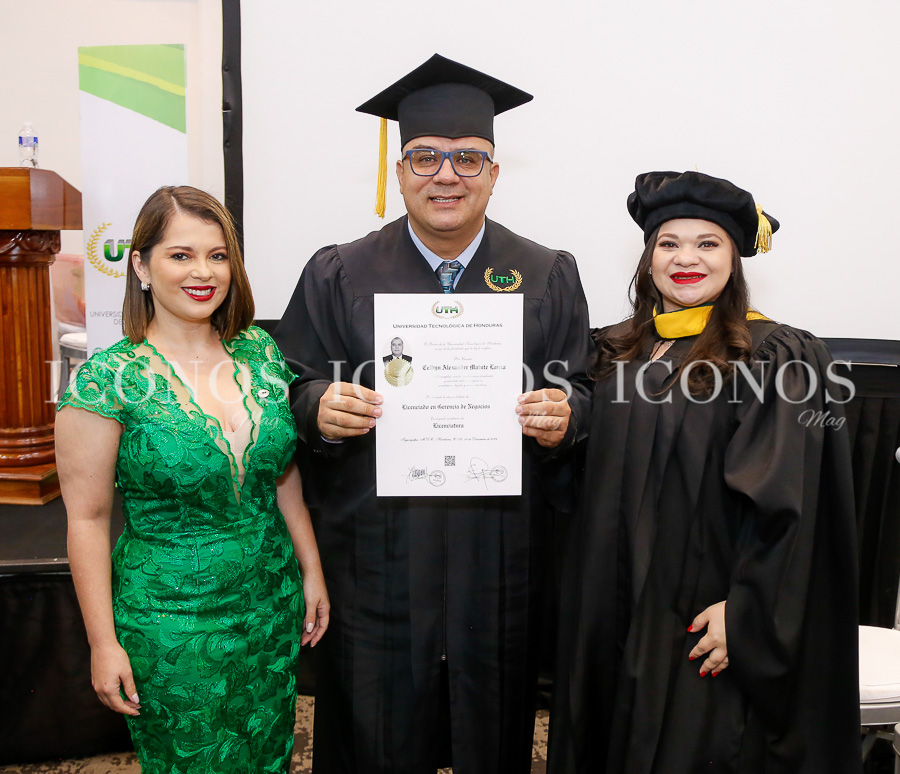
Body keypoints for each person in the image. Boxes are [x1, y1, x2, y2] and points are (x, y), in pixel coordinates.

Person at [274, 54, 592, 774]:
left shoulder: (547, 273)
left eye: (467, 159)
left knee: (495, 724)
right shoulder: (339, 272)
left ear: (494, 173)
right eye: (425, 157)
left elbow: (581, 385)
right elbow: (290, 382)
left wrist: (566, 413)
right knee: (375, 729)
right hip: (378, 548)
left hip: (498, 551)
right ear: (399, 172)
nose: (446, 175)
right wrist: (318, 407)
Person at [548, 171, 860, 774]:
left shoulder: (773, 356)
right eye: (668, 243)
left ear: (735, 259)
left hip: (698, 611)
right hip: (607, 602)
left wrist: (746, 609)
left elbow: (791, 498)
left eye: (707, 243)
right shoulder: (612, 351)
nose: (685, 258)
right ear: (648, 259)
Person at [55, 186, 330, 774]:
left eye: (218, 255)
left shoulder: (260, 352)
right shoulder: (106, 381)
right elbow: (87, 521)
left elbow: (283, 477)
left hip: (269, 605)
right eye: (181, 255)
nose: (203, 272)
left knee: (268, 755)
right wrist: (103, 643)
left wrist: (311, 569)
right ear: (141, 265)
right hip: (168, 622)